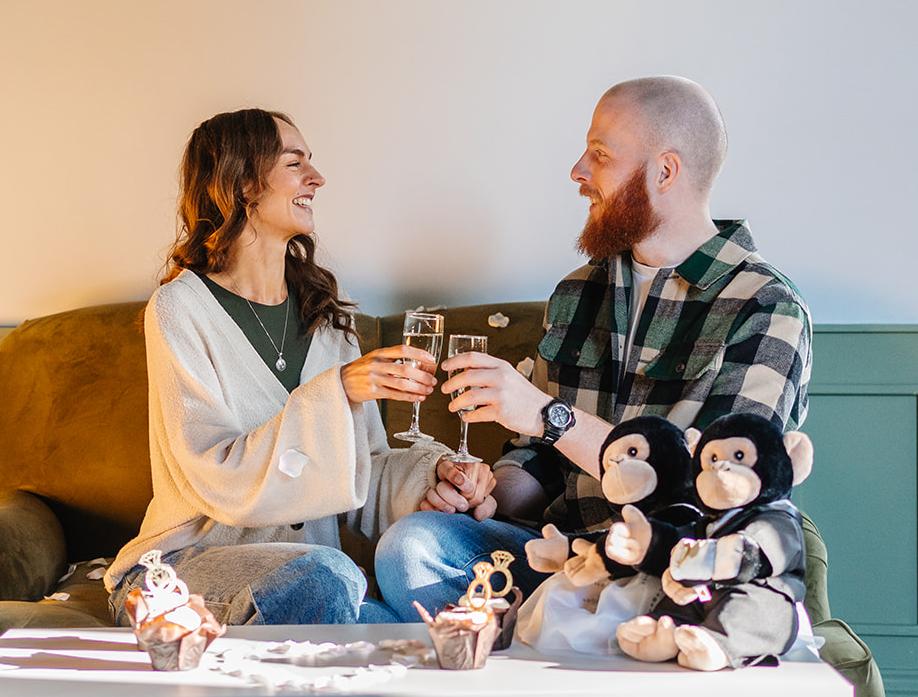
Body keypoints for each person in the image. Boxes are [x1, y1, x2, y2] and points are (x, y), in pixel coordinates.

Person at [375, 76, 812, 620]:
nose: (578, 171)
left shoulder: (766, 307)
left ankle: (550, 632)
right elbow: (538, 459)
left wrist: (548, 415)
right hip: (561, 558)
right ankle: (552, 632)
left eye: (600, 155)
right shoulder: (578, 292)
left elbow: (725, 487)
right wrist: (485, 494)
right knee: (411, 547)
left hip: (676, 571)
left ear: (665, 171)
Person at [104, 108, 496, 626]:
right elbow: (217, 476)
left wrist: (433, 477)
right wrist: (338, 390)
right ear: (244, 182)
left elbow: (362, 470)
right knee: (326, 578)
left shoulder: (326, 317)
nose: (317, 178)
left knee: (405, 614)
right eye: (295, 163)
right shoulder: (180, 308)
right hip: (179, 572)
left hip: (312, 578)